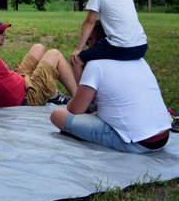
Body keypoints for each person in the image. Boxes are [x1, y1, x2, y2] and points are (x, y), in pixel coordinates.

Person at [50, 23, 170, 153]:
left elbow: (76, 109)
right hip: (163, 135)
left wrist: (76, 90)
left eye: (88, 41)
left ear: (95, 41)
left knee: (58, 115)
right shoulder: (139, 59)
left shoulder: (95, 65)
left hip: (136, 141)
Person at [70, 0, 148, 83]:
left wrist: (78, 49)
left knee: (77, 61)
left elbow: (89, 22)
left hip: (121, 47)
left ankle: (81, 98)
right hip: (141, 46)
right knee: (101, 44)